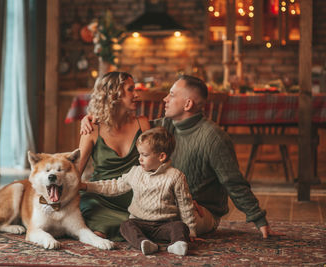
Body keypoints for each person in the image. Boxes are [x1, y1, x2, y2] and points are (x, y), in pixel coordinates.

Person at [81, 75, 281, 238]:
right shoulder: (162, 126)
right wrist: (90, 118)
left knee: (160, 215)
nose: (164, 99)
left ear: (187, 104)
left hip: (200, 208)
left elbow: (234, 183)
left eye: (171, 95)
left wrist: (258, 219)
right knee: (153, 212)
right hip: (174, 201)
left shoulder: (213, 138)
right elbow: (125, 128)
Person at [80, 127, 196, 256]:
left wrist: (190, 230)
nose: (140, 159)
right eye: (139, 154)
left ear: (161, 156)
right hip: (139, 223)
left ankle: (177, 244)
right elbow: (114, 186)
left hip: (164, 225)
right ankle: (144, 243)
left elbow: (185, 204)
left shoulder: (175, 176)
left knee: (180, 227)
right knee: (126, 226)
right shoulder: (135, 172)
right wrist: (86, 186)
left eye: (144, 155)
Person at [77, 71, 150, 241]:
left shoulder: (143, 124)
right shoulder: (92, 130)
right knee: (93, 216)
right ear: (113, 94)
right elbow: (75, 172)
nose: (136, 95)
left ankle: (113, 229)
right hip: (99, 198)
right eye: (131, 90)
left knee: (138, 220)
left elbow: (156, 167)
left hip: (134, 199)